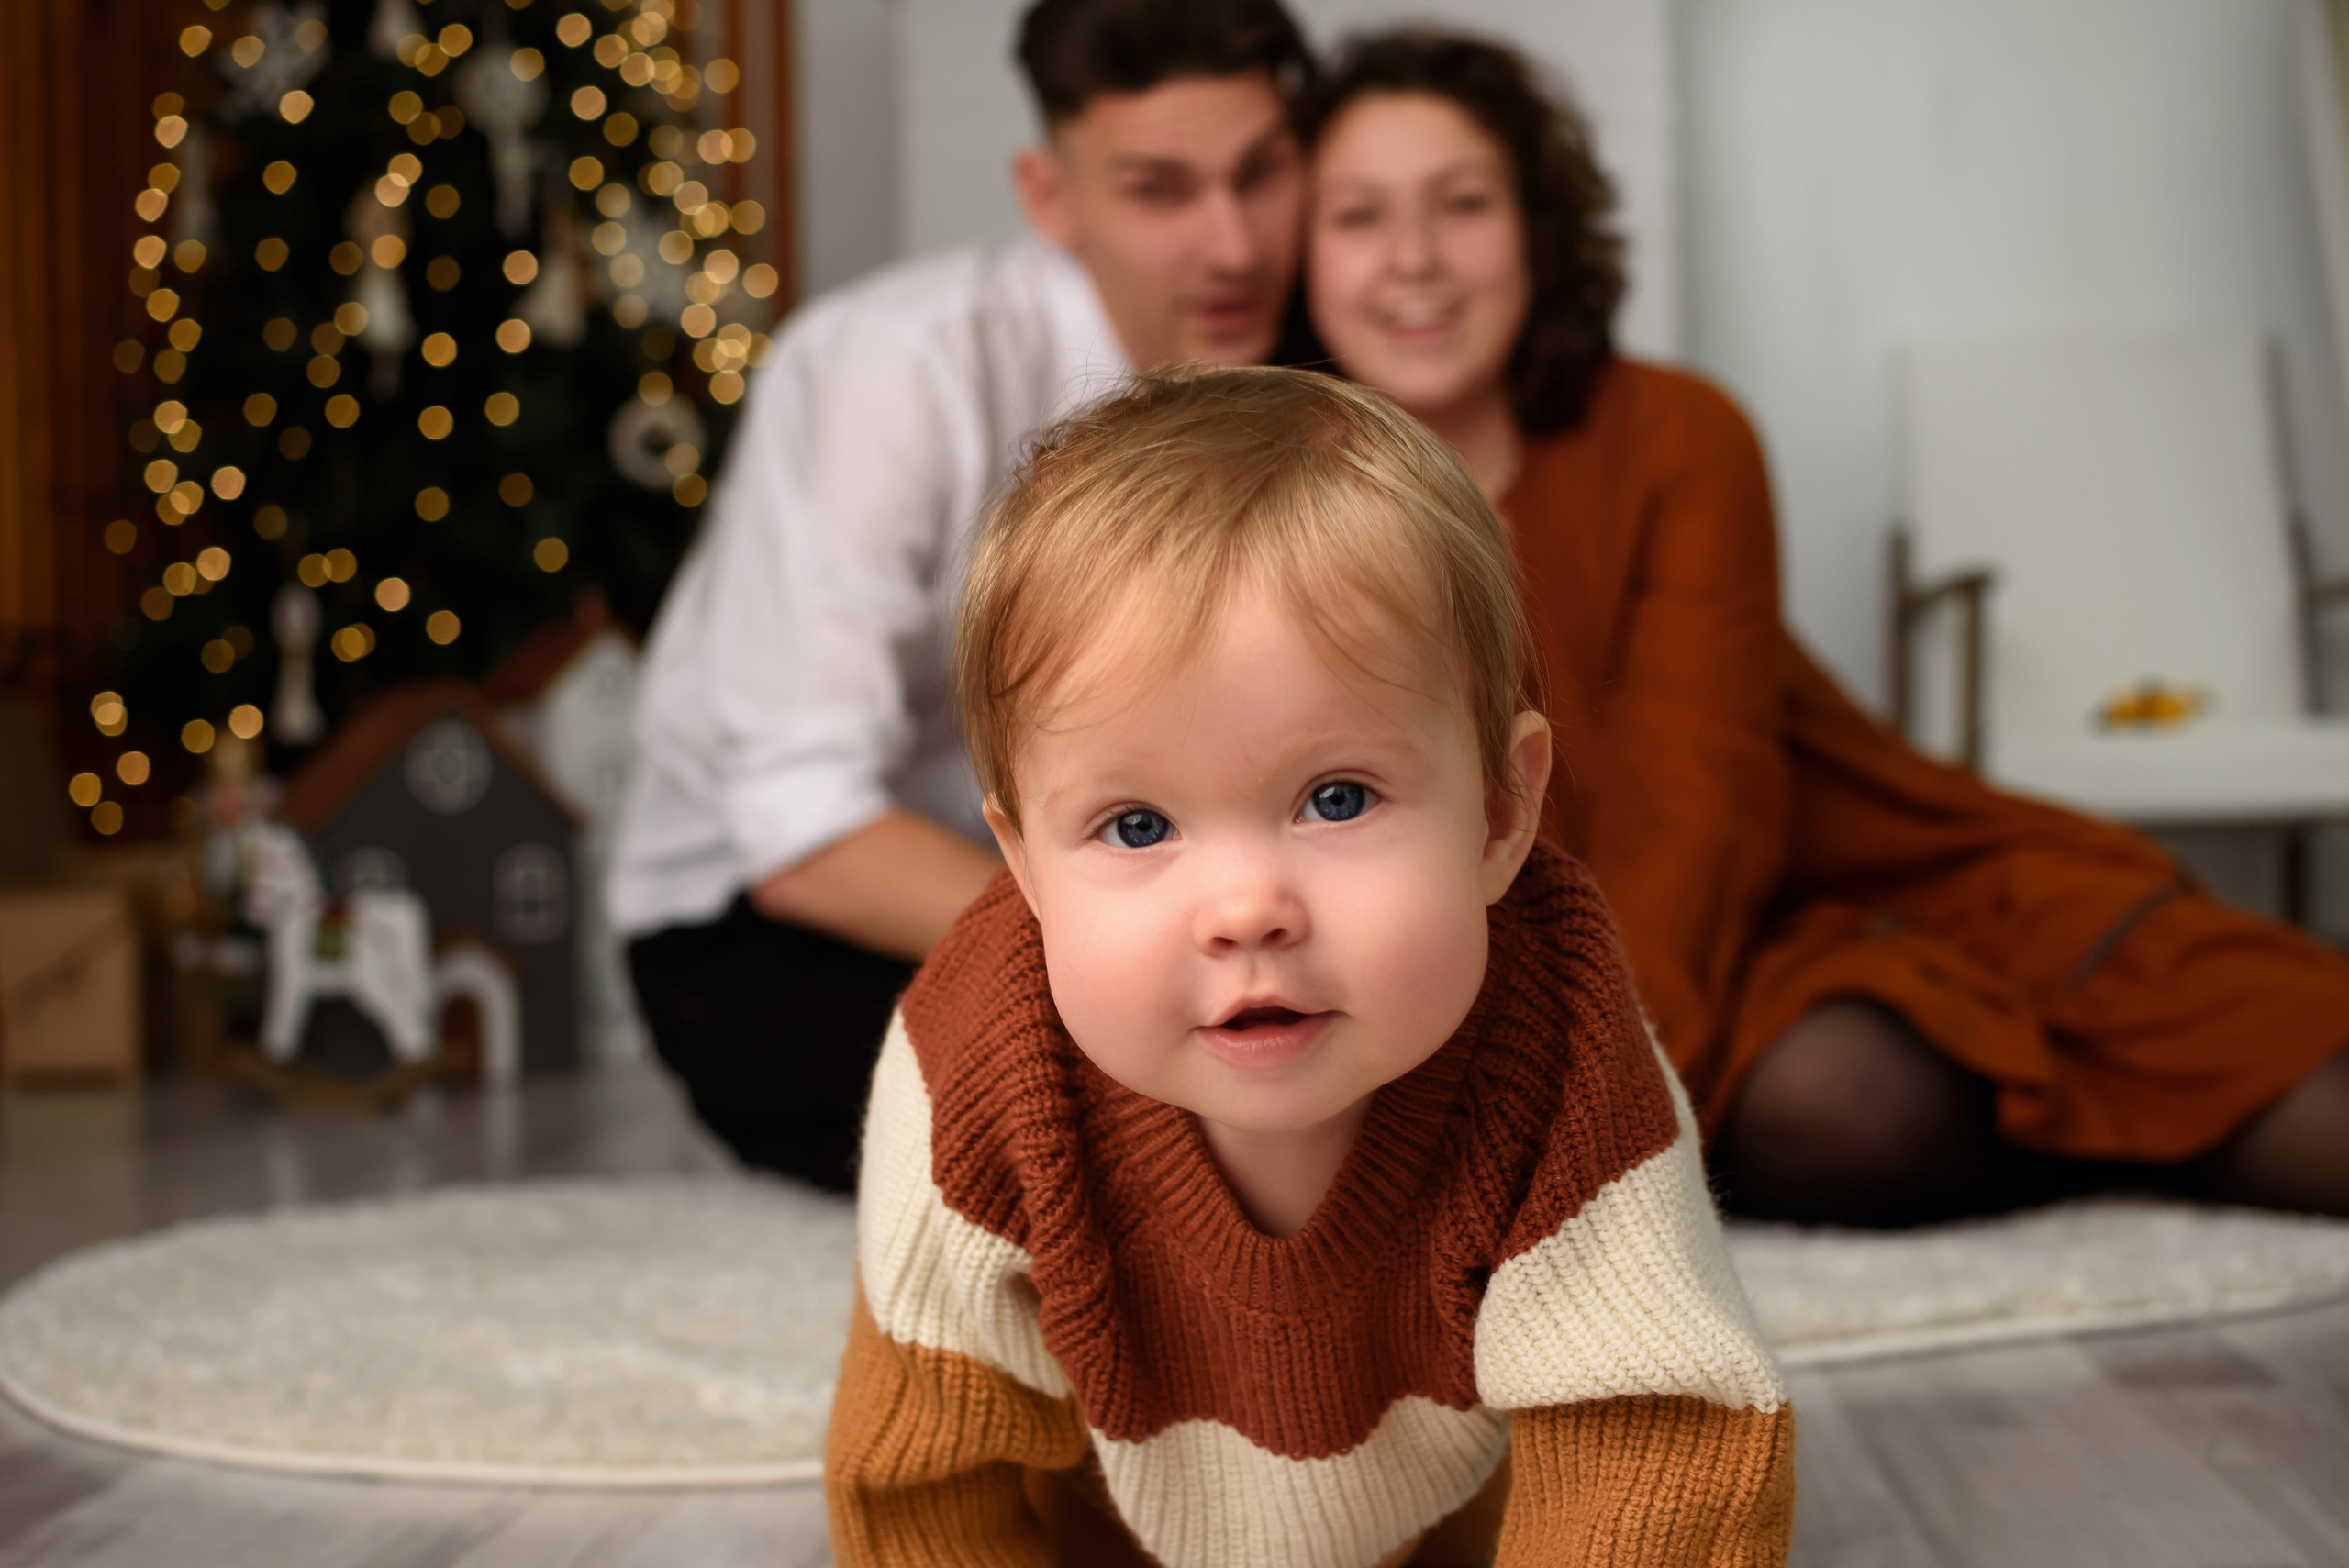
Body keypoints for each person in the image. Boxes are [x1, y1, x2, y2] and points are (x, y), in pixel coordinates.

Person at [1293, 29, 2349, 1225]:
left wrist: (1582, 1124)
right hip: (1636, 979)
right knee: (1846, 1109)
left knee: (2271, 1065)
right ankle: (2100, 1141)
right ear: (1302, 251)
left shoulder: (1679, 435)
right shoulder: (1282, 506)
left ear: (1536, 223)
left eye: (1464, 203)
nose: (1414, 260)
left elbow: (1697, 804)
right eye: (1360, 216)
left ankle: (2140, 1126)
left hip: (1821, 883)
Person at [824, 367, 1794, 1568]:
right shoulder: (972, 1074)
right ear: (1021, 864)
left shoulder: (1562, 1037)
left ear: (1500, 815)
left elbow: (1656, 1439)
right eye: (1137, 826)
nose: (1245, 910)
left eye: (1336, 799)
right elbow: (926, 1484)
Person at [608, 0, 1314, 1189]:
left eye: (1261, 175)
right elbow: (801, 831)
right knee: (1159, 1157)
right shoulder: (892, 365)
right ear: (1050, 196)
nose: (1233, 245)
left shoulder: (1300, 362)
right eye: (1159, 191)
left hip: (1136, 891)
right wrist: (1161, 948)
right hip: (777, 932)